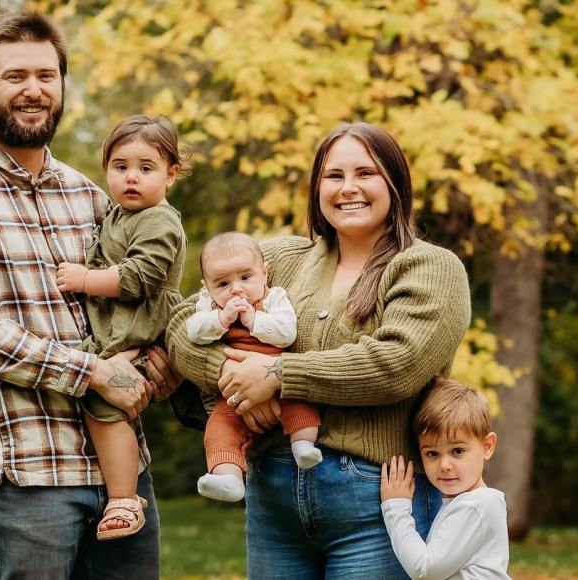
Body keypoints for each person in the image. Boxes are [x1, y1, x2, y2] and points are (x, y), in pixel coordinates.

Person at [0, 12, 179, 578]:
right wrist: (95, 374)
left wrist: (155, 366)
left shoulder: (93, 195)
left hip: (122, 476)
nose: (33, 89)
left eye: (46, 75)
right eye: (15, 76)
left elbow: (141, 299)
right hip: (26, 473)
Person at [167, 122, 472, 578]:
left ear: (394, 182)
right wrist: (238, 379)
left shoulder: (429, 267)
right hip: (274, 498)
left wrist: (277, 375)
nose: (348, 188)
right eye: (334, 176)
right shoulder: (277, 260)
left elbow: (396, 364)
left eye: (365, 173)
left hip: (378, 500)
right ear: (317, 188)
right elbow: (180, 327)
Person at [55, 114, 188, 540]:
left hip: (143, 327)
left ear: (171, 174)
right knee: (101, 400)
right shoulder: (118, 213)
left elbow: (138, 277)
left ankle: (124, 499)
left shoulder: (159, 220)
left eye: (146, 168)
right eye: (120, 166)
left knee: (106, 406)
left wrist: (85, 279)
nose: (132, 177)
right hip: (122, 331)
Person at [187, 232, 321, 503]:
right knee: (220, 427)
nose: (236, 289)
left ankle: (304, 446)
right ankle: (229, 478)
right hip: (233, 394)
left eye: (246, 278)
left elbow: (287, 333)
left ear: (264, 273)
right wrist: (221, 319)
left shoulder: (274, 298)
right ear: (207, 287)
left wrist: (253, 320)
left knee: (300, 404)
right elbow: (192, 331)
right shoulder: (208, 305)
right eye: (222, 284)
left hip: (280, 379)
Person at [380, 379, 509, 579]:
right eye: (432, 453)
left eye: (457, 451)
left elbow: (425, 569)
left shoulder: (476, 505)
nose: (444, 465)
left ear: (487, 446)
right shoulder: (463, 502)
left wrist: (396, 508)